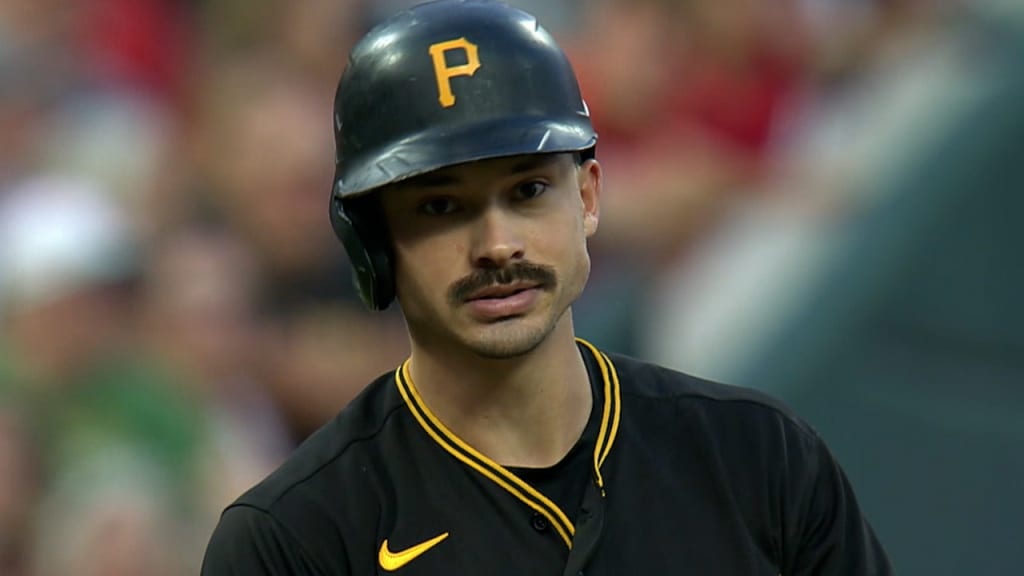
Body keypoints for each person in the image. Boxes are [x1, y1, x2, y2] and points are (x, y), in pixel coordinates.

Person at [201, 1, 892, 574]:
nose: (498, 244)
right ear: (373, 239)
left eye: (528, 191)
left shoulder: (760, 457)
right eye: (441, 207)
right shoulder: (296, 538)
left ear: (588, 197)